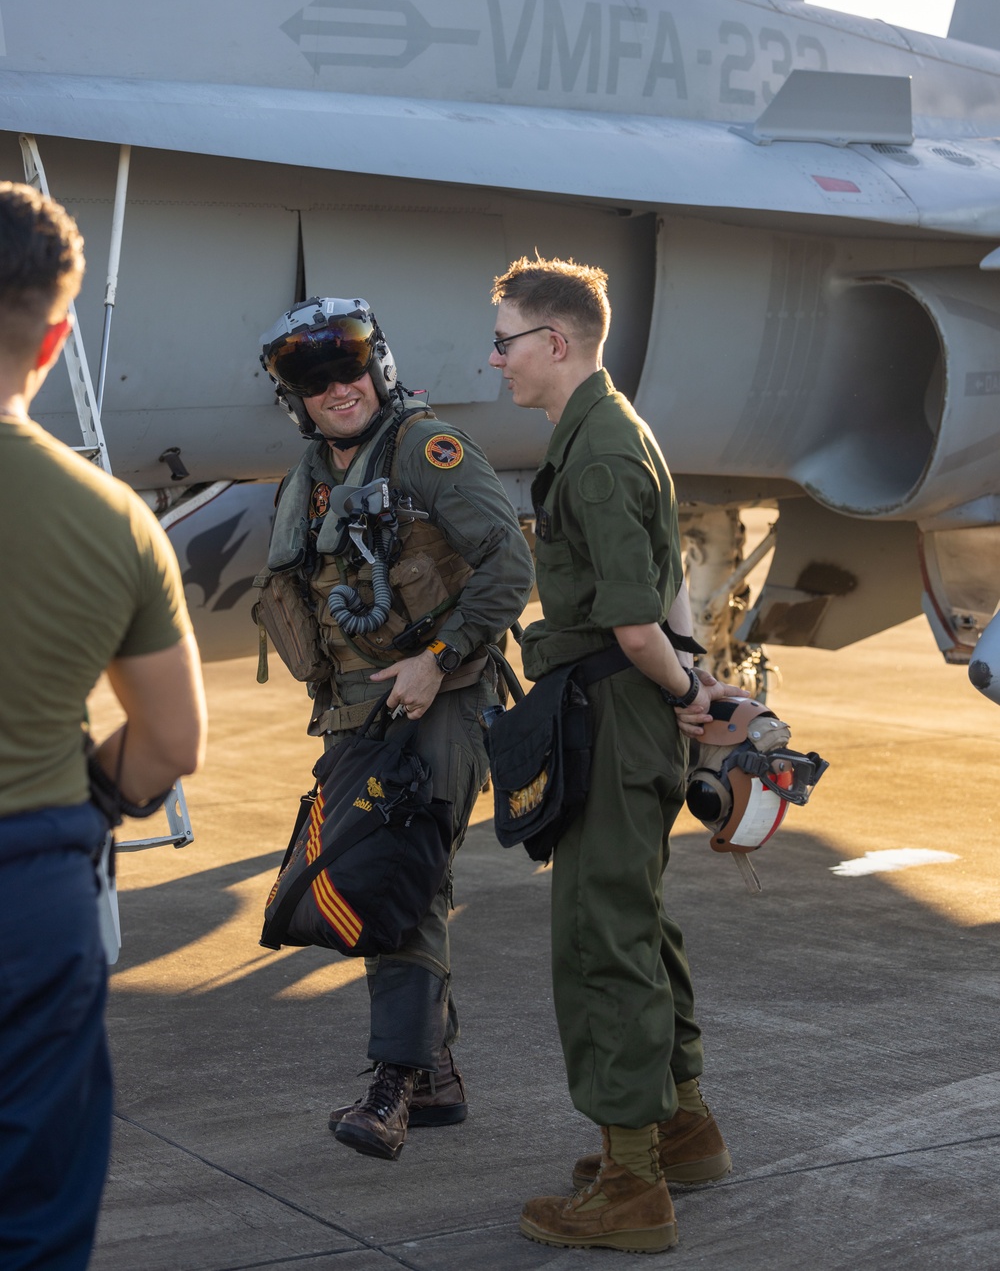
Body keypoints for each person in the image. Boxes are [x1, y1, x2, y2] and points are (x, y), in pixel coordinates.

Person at [489, 255, 731, 1255]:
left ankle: (630, 1183)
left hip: (615, 709)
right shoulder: (618, 430)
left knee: (600, 941)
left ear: (554, 342)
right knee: (638, 917)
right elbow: (667, 592)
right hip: (639, 706)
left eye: (503, 340)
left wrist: (681, 691)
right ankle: (680, 1127)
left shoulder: (592, 452)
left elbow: (632, 620)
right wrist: (696, 683)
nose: (493, 357)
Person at [258, 297, 533, 1161]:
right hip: (354, 716)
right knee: (398, 881)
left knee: (396, 877)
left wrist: (438, 656)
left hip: (440, 698)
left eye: (349, 367)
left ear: (377, 366)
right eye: (315, 379)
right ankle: (437, 1075)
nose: (337, 388)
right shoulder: (311, 476)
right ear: (296, 398)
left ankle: (390, 1089)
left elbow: (509, 564)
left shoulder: (426, 449)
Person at [0, 182, 206, 1271]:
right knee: (30, 1207)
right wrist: (95, 793)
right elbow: (169, 747)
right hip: (28, 886)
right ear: (57, 332)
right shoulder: (111, 517)